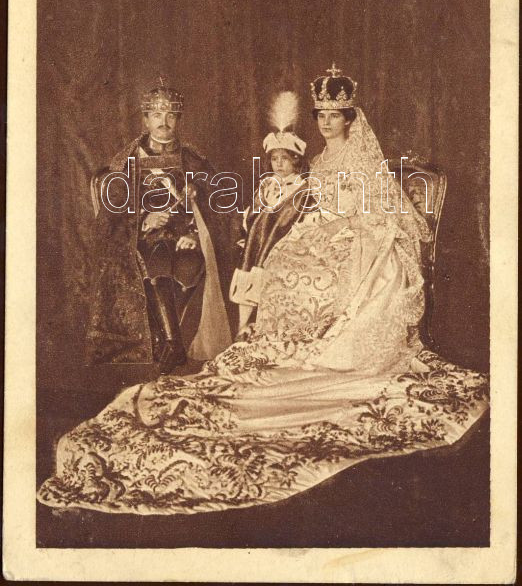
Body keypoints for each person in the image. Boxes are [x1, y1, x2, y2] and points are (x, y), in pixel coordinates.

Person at [38, 65, 488, 515]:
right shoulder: (321, 160)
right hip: (308, 237)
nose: (326, 123)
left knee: (306, 270)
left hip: (360, 242)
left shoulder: (362, 160)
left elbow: (380, 215)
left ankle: (311, 348)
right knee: (280, 263)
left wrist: (340, 232)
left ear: (350, 118)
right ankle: (268, 343)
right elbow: (307, 209)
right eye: (321, 115)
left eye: (334, 115)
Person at [85, 76, 232, 372]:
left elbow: (218, 208)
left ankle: (169, 342)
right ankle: (173, 345)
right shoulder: (127, 161)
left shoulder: (194, 160)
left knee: (189, 265)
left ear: (178, 119)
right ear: (146, 120)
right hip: (144, 238)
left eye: (170, 116)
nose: (163, 122)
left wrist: (196, 232)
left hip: (186, 238)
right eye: (156, 115)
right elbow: (113, 212)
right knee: (157, 262)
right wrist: (144, 220)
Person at [229, 91, 309, 337]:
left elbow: (301, 218)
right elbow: (253, 212)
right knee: (248, 278)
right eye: (275, 159)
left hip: (283, 245)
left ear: (296, 161)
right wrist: (247, 230)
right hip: (257, 243)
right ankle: (242, 327)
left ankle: (263, 327)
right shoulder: (267, 185)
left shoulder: (302, 188)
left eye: (285, 159)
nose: (279, 164)